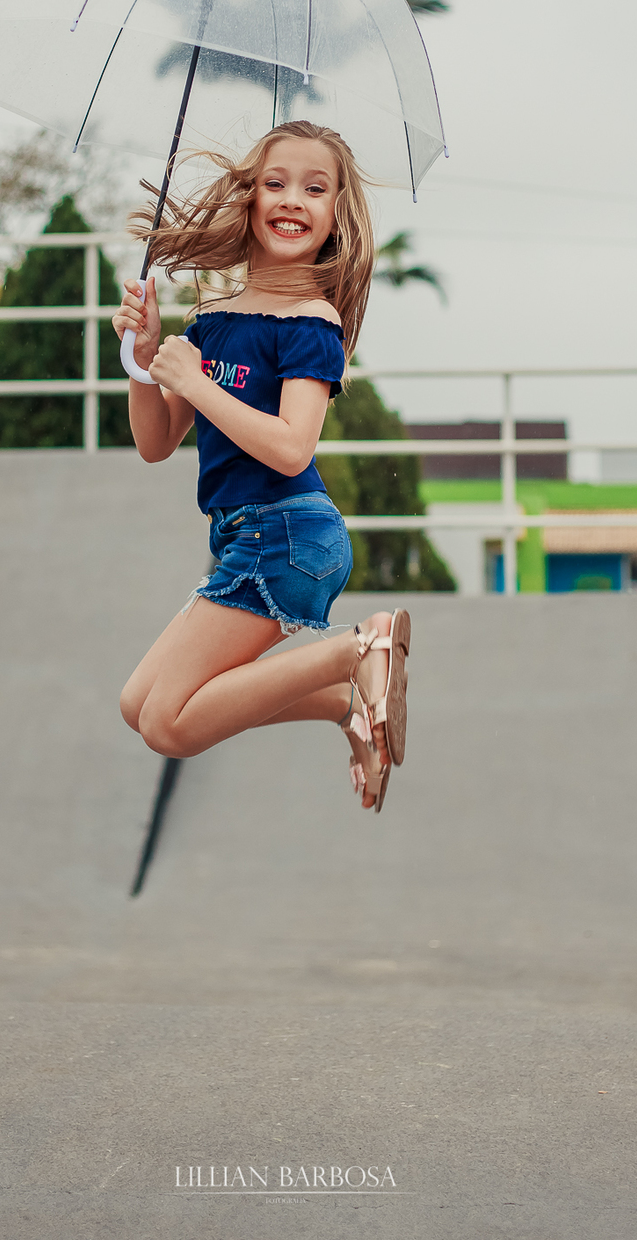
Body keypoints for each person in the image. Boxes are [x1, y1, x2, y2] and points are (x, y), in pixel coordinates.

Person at [113, 120, 410, 812]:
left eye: (315, 188)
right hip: (244, 537)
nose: (292, 199)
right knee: (139, 705)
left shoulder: (312, 322)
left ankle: (355, 651)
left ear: (336, 215)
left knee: (169, 723)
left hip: (286, 535)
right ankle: (343, 700)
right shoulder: (213, 322)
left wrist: (194, 382)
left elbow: (290, 446)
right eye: (275, 183)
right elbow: (156, 443)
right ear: (248, 199)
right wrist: (143, 355)